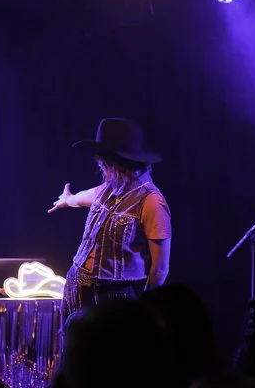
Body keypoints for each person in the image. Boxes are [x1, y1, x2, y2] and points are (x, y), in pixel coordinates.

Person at [48, 118, 172, 318]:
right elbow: (86, 196)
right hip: (78, 289)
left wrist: (145, 308)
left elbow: (160, 269)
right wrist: (69, 199)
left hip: (116, 296)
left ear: (117, 162)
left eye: (103, 161)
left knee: (111, 349)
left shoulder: (152, 202)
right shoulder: (110, 188)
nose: (100, 166)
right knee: (77, 348)